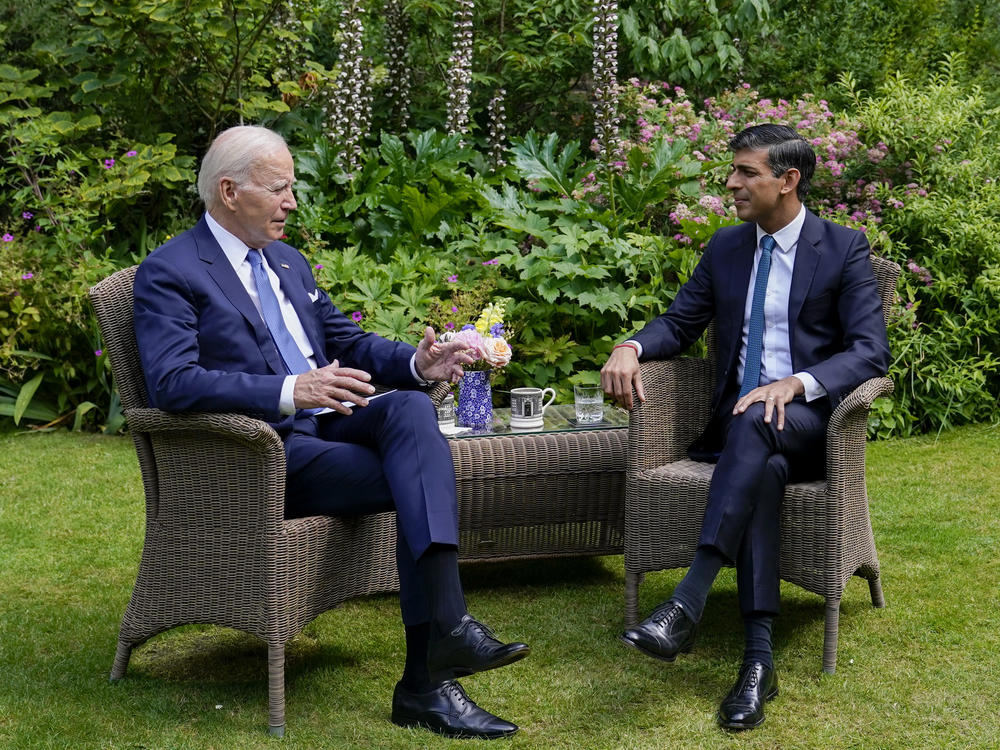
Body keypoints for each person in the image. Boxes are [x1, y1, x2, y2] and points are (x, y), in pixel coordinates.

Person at [133, 125, 530, 740]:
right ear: (231, 191)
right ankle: (429, 678)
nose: (292, 202)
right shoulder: (172, 271)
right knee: (418, 478)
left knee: (411, 411)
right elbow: (172, 382)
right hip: (261, 455)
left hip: (331, 427)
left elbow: (345, 341)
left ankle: (446, 638)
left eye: (293, 188)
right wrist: (293, 390)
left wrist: (417, 364)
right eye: (280, 189)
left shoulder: (288, 261)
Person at [600, 123, 890, 731]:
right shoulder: (727, 248)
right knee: (764, 467)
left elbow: (869, 352)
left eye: (747, 173)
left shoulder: (842, 248)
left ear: (788, 181)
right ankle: (758, 661)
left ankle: (689, 598)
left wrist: (798, 383)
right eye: (733, 171)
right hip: (746, 436)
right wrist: (630, 344)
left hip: (814, 422)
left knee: (763, 417)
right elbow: (680, 324)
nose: (732, 183)